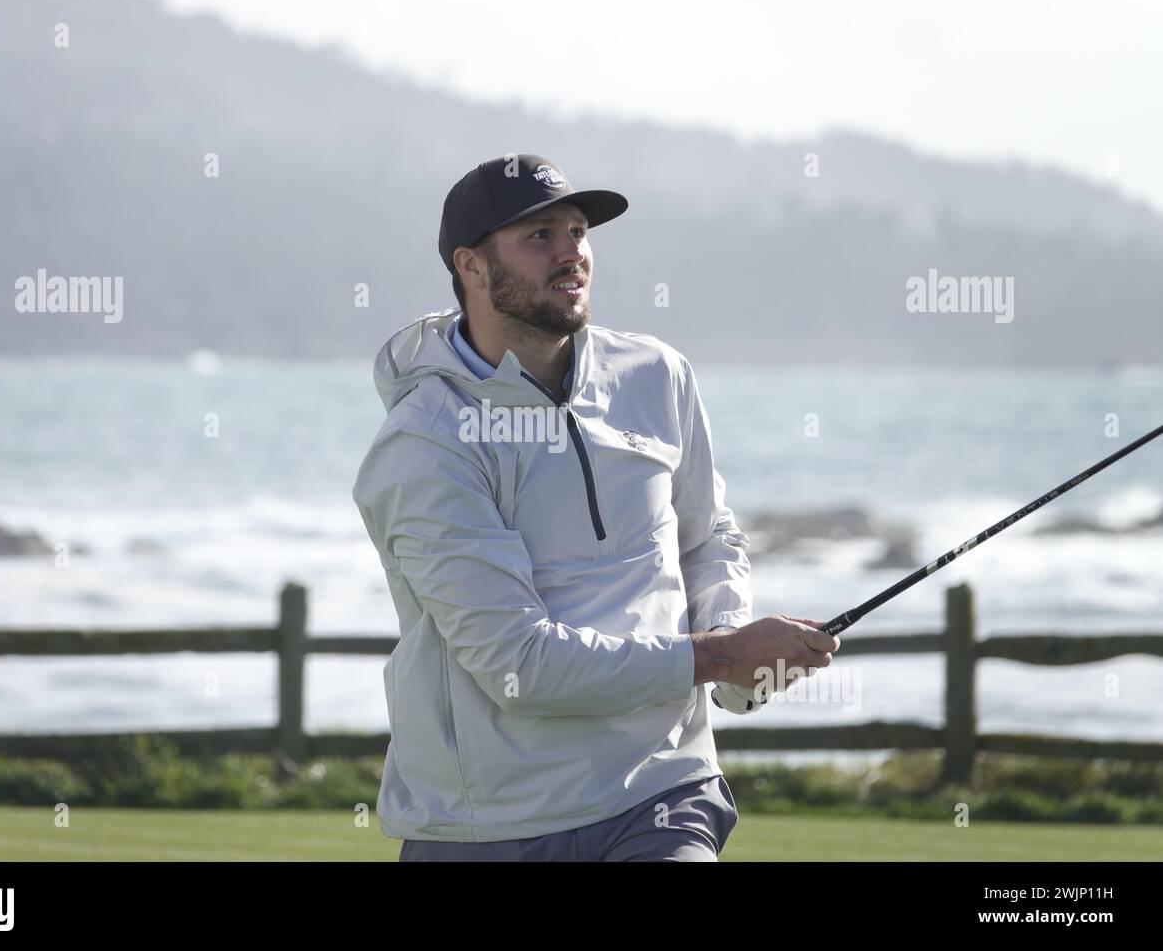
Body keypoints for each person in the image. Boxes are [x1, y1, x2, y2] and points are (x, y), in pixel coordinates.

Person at [352, 154, 839, 861]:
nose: (571, 253)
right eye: (540, 237)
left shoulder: (656, 374)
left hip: (663, 792)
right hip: (486, 827)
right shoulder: (425, 440)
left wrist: (732, 646)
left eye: (579, 231)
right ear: (472, 267)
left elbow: (707, 539)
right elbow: (522, 665)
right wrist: (725, 655)